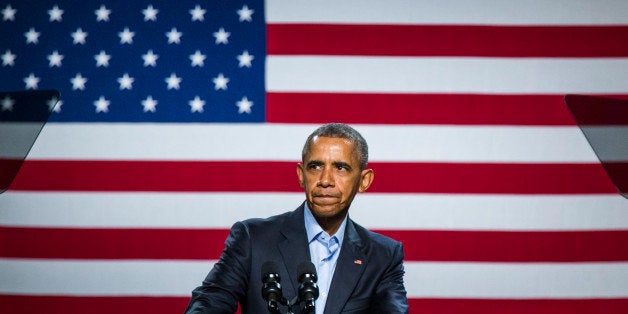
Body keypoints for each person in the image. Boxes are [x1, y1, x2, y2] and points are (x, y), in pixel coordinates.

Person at [185, 123, 408, 313]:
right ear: (301, 175)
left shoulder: (383, 256)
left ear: (364, 181)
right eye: (316, 166)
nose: (325, 180)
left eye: (340, 168)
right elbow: (208, 304)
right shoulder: (252, 239)